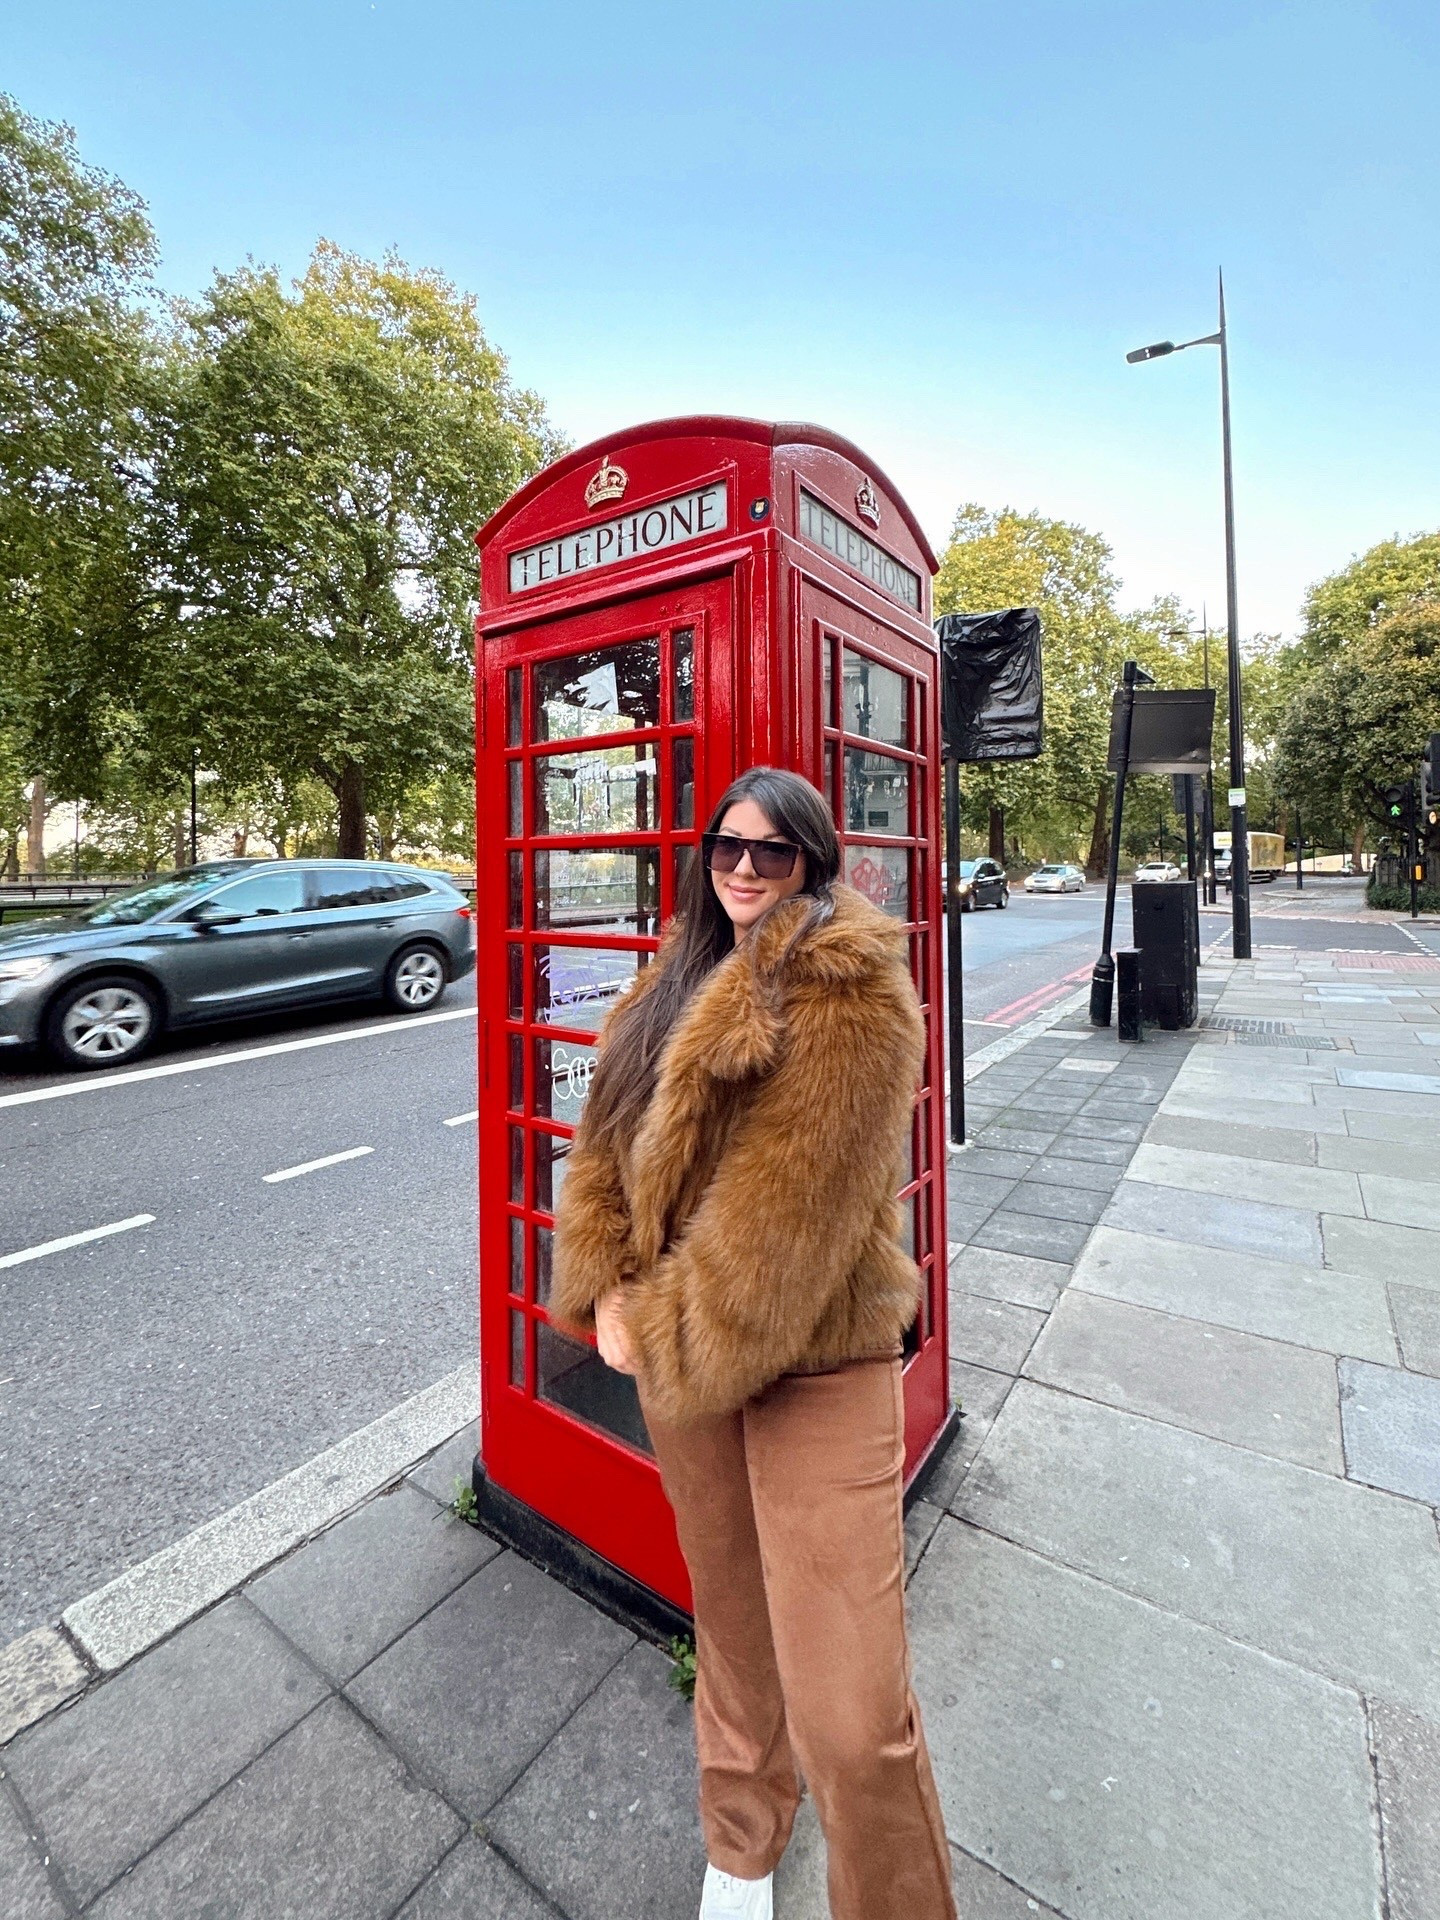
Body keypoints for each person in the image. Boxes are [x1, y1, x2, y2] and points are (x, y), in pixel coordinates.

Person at [552, 766, 957, 1920]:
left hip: (816, 1362)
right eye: (726, 848)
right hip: (681, 1357)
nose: (742, 869)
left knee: (854, 1710)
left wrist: (658, 1325)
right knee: (730, 1629)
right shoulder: (664, 988)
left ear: (813, 865)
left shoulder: (852, 995)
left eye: (772, 853)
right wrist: (607, 1286)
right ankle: (742, 1842)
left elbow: (790, 1220)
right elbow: (601, 1155)